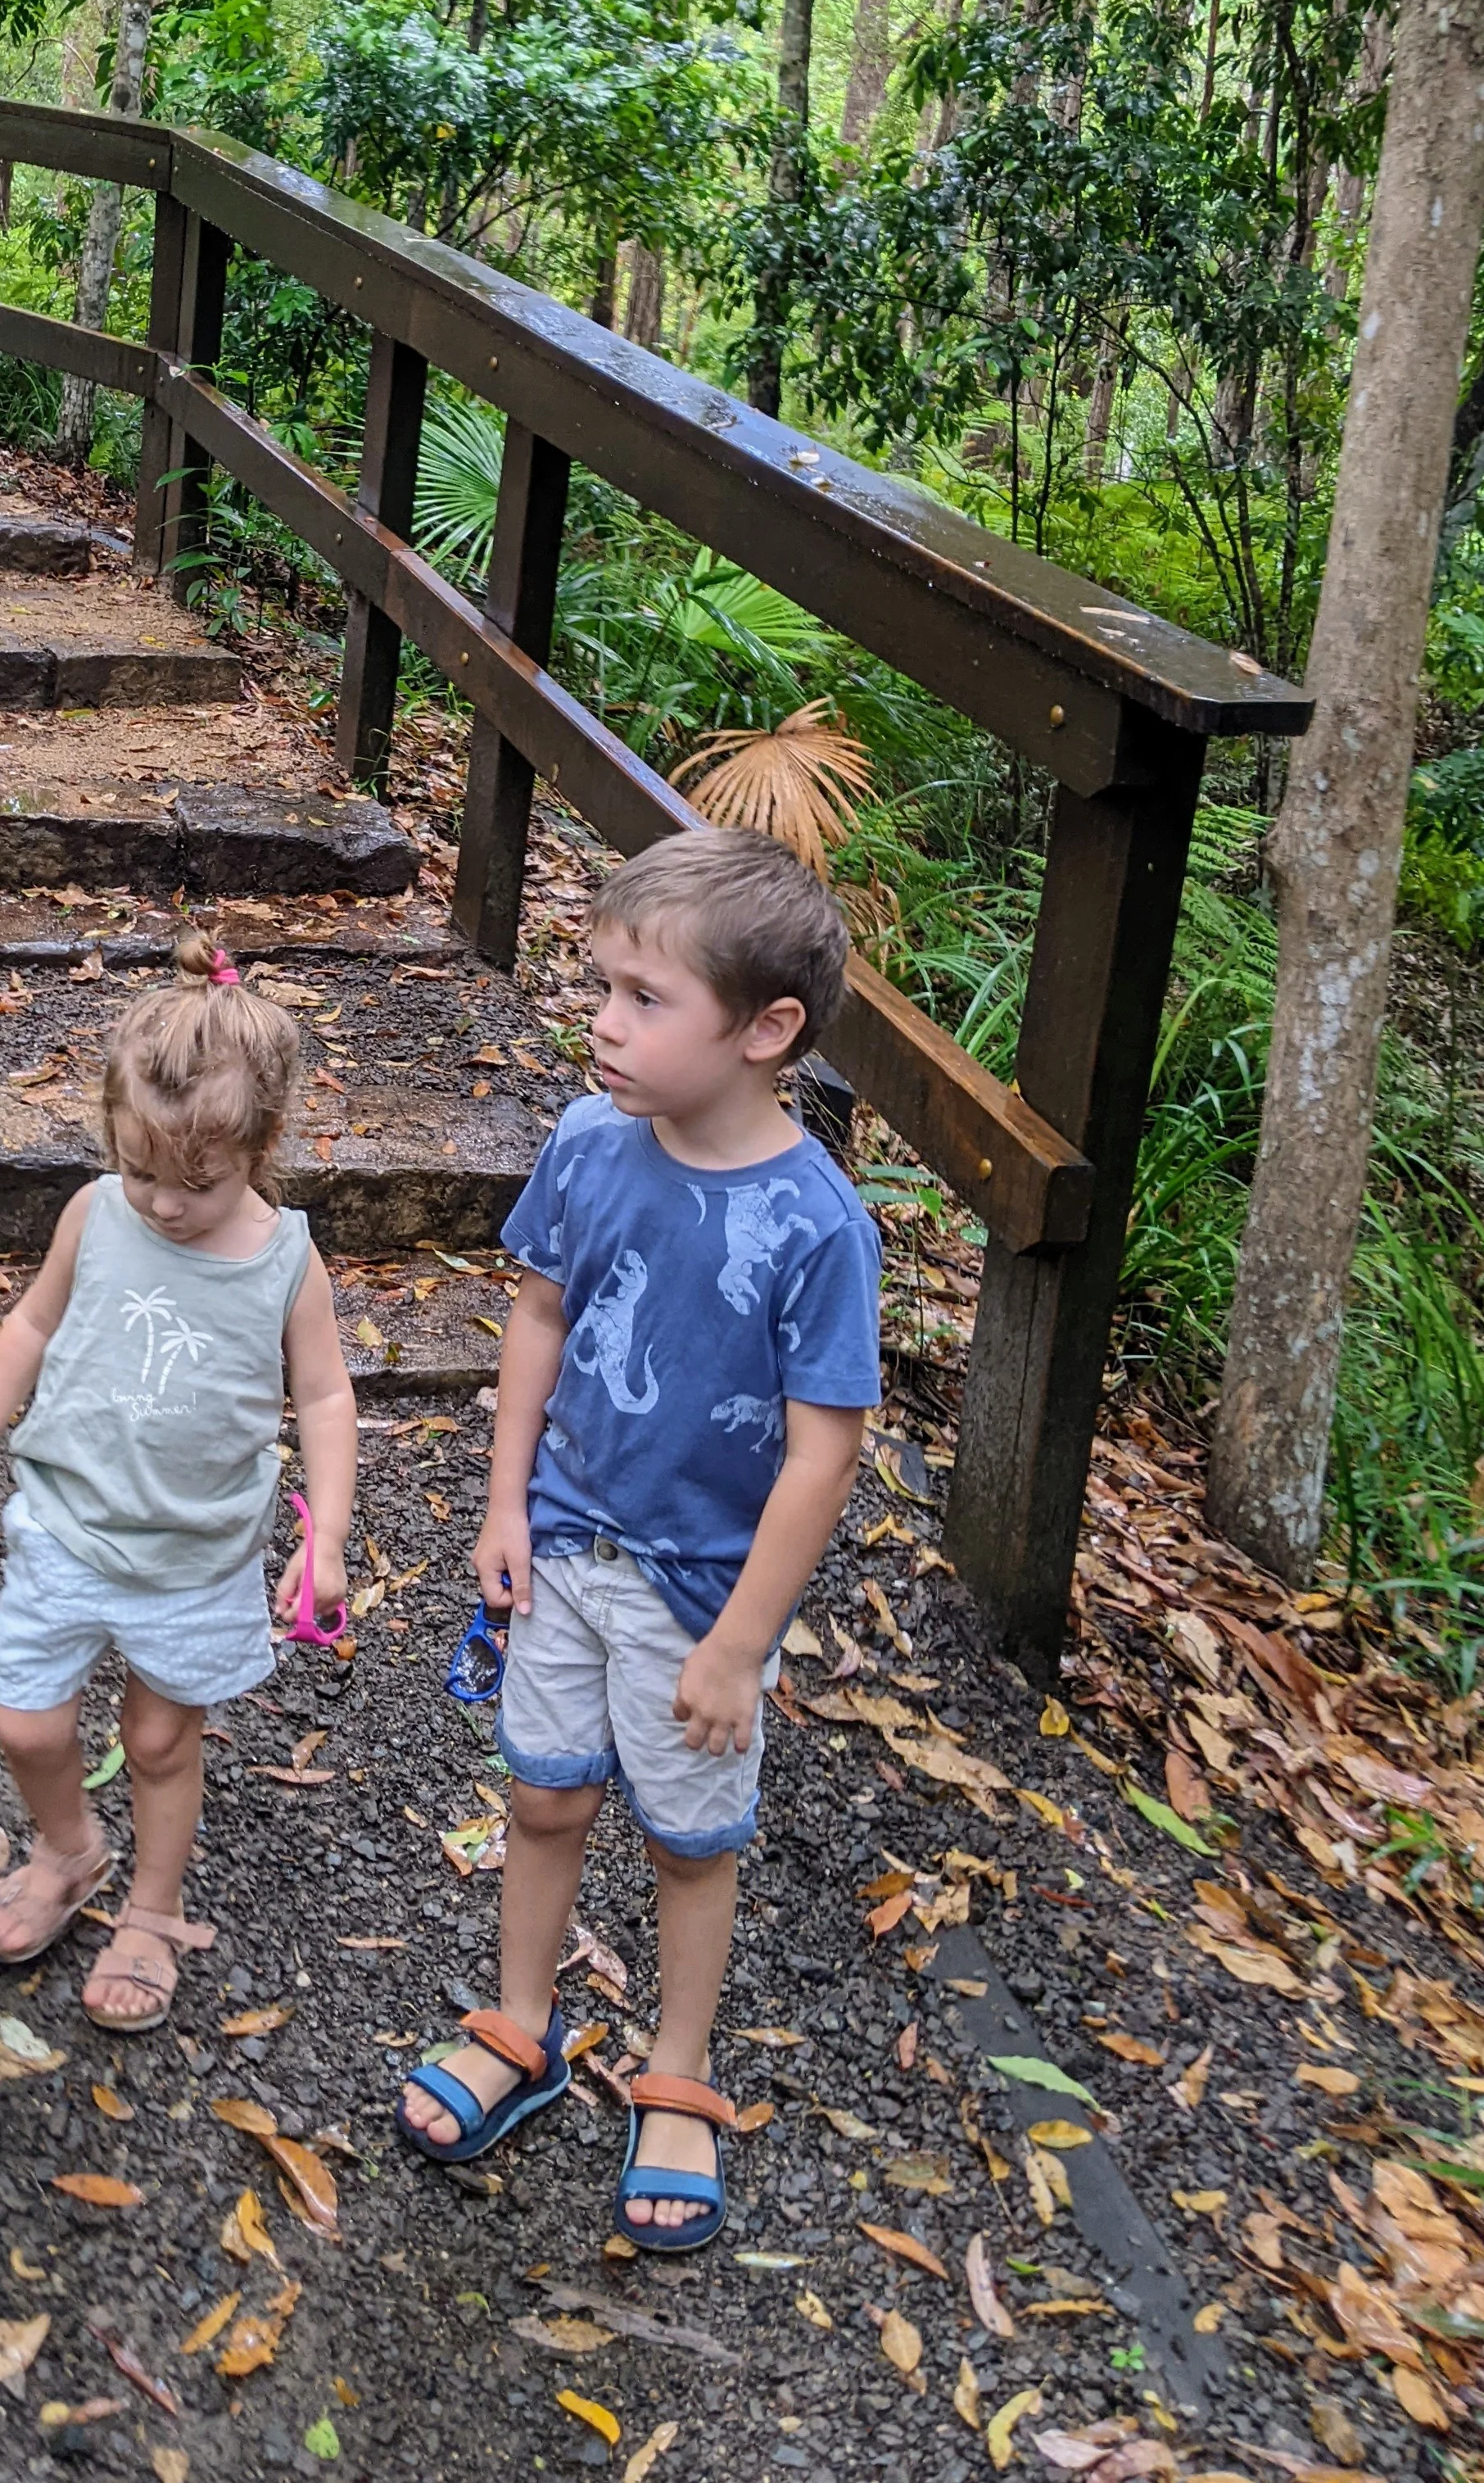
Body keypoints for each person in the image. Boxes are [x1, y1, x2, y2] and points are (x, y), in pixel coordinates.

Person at [395, 826, 880, 2250]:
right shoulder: (588, 1141)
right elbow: (538, 1311)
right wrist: (502, 1501)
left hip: (693, 1587)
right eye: (601, 985)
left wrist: (741, 1645)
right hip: (564, 1545)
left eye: (643, 998)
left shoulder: (813, 1224)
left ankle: (678, 2068)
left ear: (765, 1030)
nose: (602, 1021)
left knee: (686, 1835)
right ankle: (520, 2019)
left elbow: (821, 1449)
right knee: (543, 1791)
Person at [0, 929, 356, 2033]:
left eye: (197, 1181)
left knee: (164, 1739)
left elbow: (322, 1399)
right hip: (69, 1526)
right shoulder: (95, 1212)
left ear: (262, 1145)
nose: (165, 1204)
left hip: (192, 1551)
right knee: (27, 1727)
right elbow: (30, 1322)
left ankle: (153, 1909)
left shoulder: (283, 1260)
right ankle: (69, 1845)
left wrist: (326, 1536)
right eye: (141, 1171)